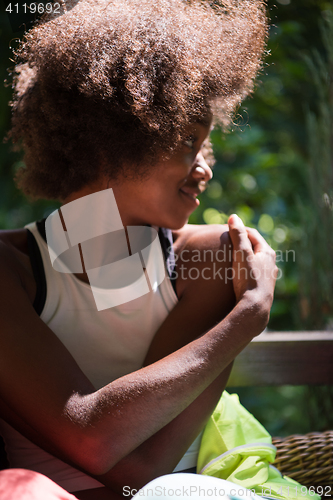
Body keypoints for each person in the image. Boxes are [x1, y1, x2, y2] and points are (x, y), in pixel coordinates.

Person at [0, 0, 277, 498]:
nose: (205, 168)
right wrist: (248, 316)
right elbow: (94, 443)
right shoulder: (9, 269)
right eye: (188, 142)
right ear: (118, 142)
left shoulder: (209, 259)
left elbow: (146, 473)